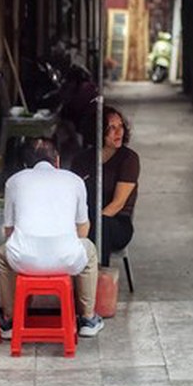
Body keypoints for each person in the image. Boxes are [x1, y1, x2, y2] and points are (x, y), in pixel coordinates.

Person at [0, 138, 103, 337]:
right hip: (67, 259)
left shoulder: (14, 181)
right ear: (57, 161)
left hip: (23, 260)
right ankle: (87, 318)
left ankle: (9, 321)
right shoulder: (74, 180)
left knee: (3, 255)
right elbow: (83, 229)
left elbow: (9, 231)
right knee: (89, 250)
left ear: (25, 165)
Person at [73, 105, 138, 268]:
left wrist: (91, 226)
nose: (119, 132)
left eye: (120, 126)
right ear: (98, 131)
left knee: (102, 226)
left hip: (117, 223)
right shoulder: (81, 159)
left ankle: (97, 275)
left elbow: (118, 204)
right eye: (111, 128)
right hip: (85, 220)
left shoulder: (128, 159)